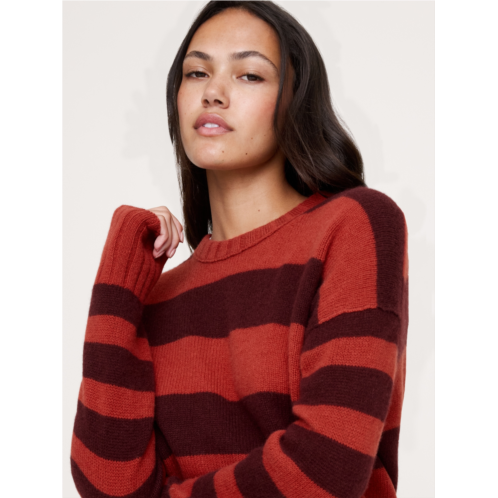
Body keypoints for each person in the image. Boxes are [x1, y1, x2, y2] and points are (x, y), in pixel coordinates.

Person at [70, 1, 408, 497]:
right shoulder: (159, 298)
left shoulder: (353, 224)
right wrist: (122, 274)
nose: (213, 92)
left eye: (250, 75)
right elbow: (108, 485)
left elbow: (324, 472)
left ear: (295, 102)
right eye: (197, 72)